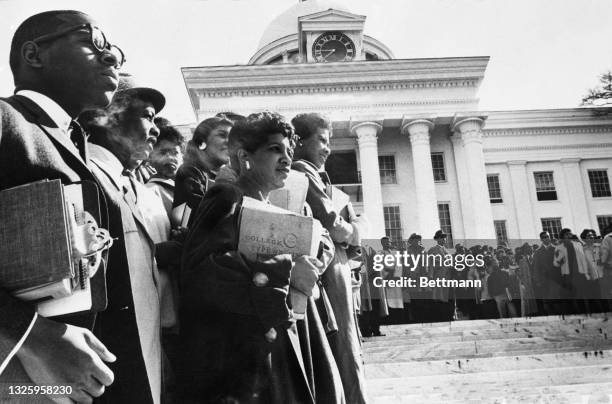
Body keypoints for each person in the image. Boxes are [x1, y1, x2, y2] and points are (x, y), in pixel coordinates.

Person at [0, 10, 126, 403]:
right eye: (93, 42)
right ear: (34, 55)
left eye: (116, 53)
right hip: (20, 384)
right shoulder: (6, 120)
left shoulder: (79, 145)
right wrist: (32, 336)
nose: (112, 59)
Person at [179, 112, 344, 403]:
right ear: (245, 156)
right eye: (274, 149)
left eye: (289, 151)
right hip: (247, 359)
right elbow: (203, 269)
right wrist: (287, 272)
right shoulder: (227, 196)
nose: (286, 159)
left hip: (286, 343)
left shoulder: (280, 204)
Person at [79, 74, 166, 403]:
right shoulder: (86, 176)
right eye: (147, 115)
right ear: (106, 115)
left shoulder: (129, 186)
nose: (155, 129)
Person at [291, 112, 368, 404]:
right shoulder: (302, 170)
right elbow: (333, 223)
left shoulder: (312, 173)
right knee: (345, 347)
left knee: (346, 343)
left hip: (335, 266)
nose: (328, 148)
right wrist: (359, 229)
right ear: (299, 142)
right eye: (321, 140)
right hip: (329, 268)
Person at [173, 115, 233, 226]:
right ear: (202, 141)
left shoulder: (222, 175)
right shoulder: (190, 171)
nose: (229, 142)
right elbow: (202, 214)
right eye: (222, 135)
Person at [146, 118, 185, 227]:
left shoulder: (187, 185)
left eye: (175, 152)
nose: (170, 157)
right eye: (163, 152)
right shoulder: (150, 190)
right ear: (150, 157)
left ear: (182, 156)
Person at [533, 231, 560, 315]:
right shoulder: (538, 252)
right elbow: (536, 267)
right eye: (544, 237)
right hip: (544, 280)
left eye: (547, 236)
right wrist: (537, 280)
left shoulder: (556, 249)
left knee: (558, 301)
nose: (546, 238)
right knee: (548, 302)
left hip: (556, 279)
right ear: (541, 239)